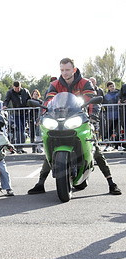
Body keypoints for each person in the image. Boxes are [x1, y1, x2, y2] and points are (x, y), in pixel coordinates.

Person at [28, 57, 122, 195]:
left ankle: (111, 183)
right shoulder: (55, 84)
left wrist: (93, 117)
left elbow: (92, 101)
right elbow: (49, 100)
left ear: (74, 70)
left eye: (67, 70)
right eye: (62, 70)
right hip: (59, 120)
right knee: (51, 147)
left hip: (80, 119)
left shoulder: (85, 83)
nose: (64, 73)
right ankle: (40, 183)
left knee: (95, 149)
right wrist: (43, 115)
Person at [3, 81, 31, 153]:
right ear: (13, 87)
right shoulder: (10, 92)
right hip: (16, 113)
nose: (17, 90)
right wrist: (5, 105)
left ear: (20, 86)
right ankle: (18, 147)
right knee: (20, 129)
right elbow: (6, 100)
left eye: (18, 88)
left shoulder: (25, 91)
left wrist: (31, 106)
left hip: (24, 113)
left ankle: (20, 147)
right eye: (15, 88)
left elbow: (30, 100)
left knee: (23, 129)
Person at [103, 81, 122, 151]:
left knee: (118, 130)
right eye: (110, 86)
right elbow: (104, 105)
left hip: (118, 114)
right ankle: (107, 143)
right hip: (110, 115)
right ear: (108, 87)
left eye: (113, 86)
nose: (112, 87)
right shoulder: (106, 96)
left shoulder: (118, 94)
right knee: (110, 128)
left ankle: (118, 145)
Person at [29, 89, 43, 153]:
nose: (35, 95)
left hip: (38, 119)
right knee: (32, 134)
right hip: (31, 119)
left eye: (36, 94)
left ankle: (38, 148)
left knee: (39, 134)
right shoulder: (30, 101)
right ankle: (33, 149)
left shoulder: (40, 102)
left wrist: (39, 120)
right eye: (34, 94)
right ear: (32, 95)